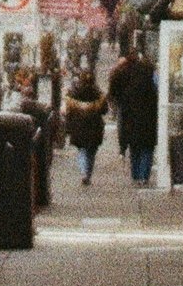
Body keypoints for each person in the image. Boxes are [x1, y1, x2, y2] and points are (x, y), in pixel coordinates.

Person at [108, 38, 160, 187]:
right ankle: (144, 176)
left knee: (135, 147)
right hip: (149, 116)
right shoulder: (150, 72)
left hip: (130, 115)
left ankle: (136, 174)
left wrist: (117, 104)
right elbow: (158, 91)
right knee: (147, 148)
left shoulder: (124, 73)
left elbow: (114, 90)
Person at [64, 71, 107, 189]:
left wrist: (68, 127)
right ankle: (88, 174)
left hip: (79, 125)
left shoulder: (74, 93)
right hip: (94, 125)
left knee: (82, 150)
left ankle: (83, 172)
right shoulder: (98, 94)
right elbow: (104, 110)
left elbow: (68, 111)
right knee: (91, 152)